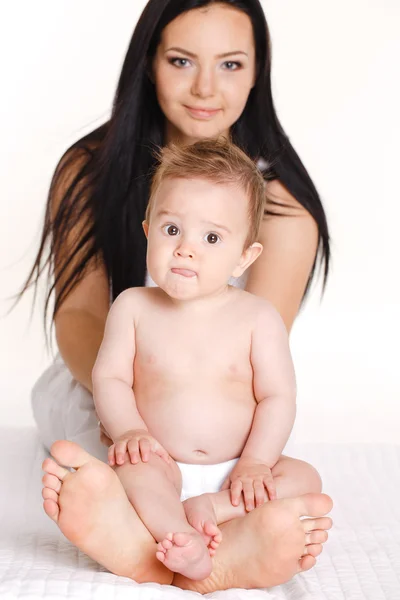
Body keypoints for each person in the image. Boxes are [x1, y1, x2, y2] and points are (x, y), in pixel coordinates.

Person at [22, 0, 333, 592]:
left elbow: (260, 365)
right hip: (113, 379)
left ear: (258, 72)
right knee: (103, 461)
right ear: (148, 64)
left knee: (289, 475)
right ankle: (160, 546)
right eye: (182, 60)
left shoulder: (283, 207)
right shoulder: (90, 168)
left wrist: (251, 463)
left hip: (214, 403)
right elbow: (81, 316)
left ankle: (196, 539)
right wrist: (133, 421)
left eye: (232, 64)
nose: (206, 88)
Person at [86, 138, 312, 581]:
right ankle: (181, 543)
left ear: (245, 256)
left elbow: (277, 397)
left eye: (211, 237)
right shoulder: (133, 307)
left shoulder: (257, 317)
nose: (186, 248)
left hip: (236, 473)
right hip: (162, 461)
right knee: (130, 471)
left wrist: (257, 462)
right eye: (173, 230)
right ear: (149, 230)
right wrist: (129, 430)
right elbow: (109, 378)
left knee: (305, 478)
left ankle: (210, 516)